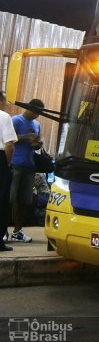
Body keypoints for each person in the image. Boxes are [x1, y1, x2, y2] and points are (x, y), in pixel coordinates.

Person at [9, 99, 45, 243]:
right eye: (36, 112)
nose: (37, 115)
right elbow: (8, 139)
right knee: (9, 199)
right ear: (28, 108)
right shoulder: (16, 120)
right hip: (15, 164)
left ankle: (18, 231)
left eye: (39, 113)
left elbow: (36, 145)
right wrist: (26, 137)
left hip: (29, 165)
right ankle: (3, 230)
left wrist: (37, 144)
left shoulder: (37, 125)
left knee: (24, 201)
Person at [0, 91, 18, 251]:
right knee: (1, 201)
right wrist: (8, 163)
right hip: (0, 160)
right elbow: (9, 145)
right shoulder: (4, 117)